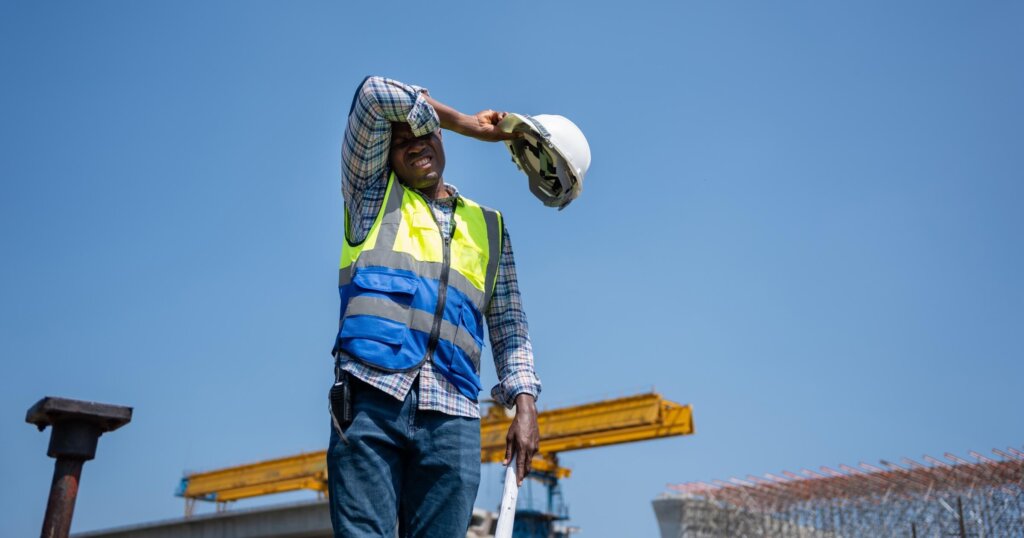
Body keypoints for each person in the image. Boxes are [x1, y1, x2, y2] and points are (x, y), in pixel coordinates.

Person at [327, 75, 542, 537]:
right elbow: (371, 95)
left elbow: (509, 325)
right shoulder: (370, 197)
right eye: (399, 140)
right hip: (370, 402)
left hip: (453, 418)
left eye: (422, 133)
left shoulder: (489, 227)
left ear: (438, 138)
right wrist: (465, 122)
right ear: (384, 154)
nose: (413, 145)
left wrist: (525, 403)